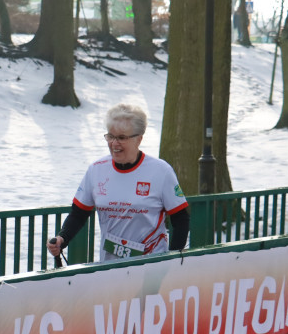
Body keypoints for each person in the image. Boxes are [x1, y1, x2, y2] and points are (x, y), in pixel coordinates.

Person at [47, 103, 190, 262]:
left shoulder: (161, 171)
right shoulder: (96, 170)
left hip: (151, 266)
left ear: (139, 139)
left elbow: (181, 219)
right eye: (110, 136)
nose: (114, 143)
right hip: (110, 267)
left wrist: (173, 259)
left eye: (121, 137)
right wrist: (62, 238)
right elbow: (78, 214)